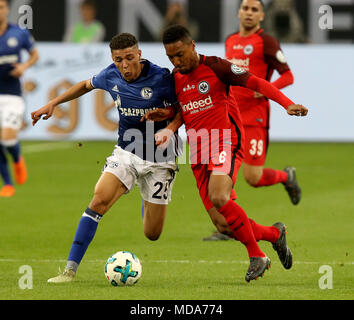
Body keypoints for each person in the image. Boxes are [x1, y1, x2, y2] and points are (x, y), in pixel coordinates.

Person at [143, 24, 308, 282]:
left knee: (219, 195)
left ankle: (257, 255)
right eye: (171, 57)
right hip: (198, 149)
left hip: (225, 141)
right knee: (223, 225)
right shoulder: (175, 78)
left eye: (180, 54)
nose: (177, 61)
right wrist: (168, 124)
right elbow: (183, 111)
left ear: (192, 46)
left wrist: (287, 104)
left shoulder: (217, 67)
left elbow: (258, 83)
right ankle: (275, 235)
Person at [31, 33, 180, 283]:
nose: (124, 65)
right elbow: (84, 85)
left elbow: (182, 109)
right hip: (127, 151)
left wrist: (168, 122)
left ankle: (146, 195)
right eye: (118, 59)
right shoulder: (110, 74)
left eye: (129, 58)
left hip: (160, 158)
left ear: (139, 55)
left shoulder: (163, 78)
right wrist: (54, 103)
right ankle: (69, 270)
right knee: (99, 200)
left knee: (152, 234)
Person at [204, 0, 300, 241]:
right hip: (229, 115)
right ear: (238, 12)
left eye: (254, 9)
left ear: (262, 16)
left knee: (253, 178)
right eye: (245, 8)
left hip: (255, 116)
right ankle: (228, 226)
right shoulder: (230, 39)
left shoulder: (266, 42)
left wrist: (266, 89)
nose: (249, 13)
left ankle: (286, 176)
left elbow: (288, 75)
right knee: (224, 170)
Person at [0, 0, 39, 197]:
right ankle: (7, 184)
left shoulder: (18, 33)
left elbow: (34, 54)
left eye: (1, 7)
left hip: (12, 95)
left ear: (6, 9)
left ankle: (17, 159)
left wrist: (24, 67)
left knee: (7, 140)